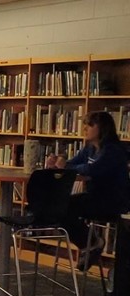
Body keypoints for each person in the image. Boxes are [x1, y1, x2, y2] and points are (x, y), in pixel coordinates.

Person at [45, 111, 129, 267]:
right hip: (94, 196)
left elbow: (92, 169)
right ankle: (90, 244)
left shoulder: (113, 150)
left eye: (90, 125)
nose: (85, 128)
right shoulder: (89, 148)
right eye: (85, 124)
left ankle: (90, 244)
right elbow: (75, 163)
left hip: (112, 201)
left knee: (63, 207)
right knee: (59, 206)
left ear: (103, 128)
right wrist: (57, 161)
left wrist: (66, 166)